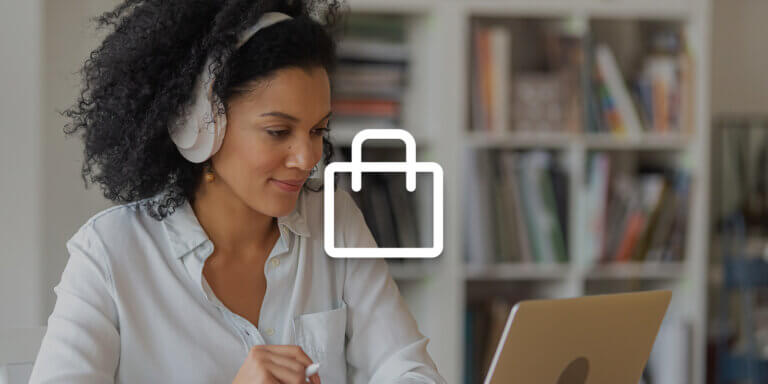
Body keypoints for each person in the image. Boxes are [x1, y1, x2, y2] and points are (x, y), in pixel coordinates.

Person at [29, 1, 445, 383]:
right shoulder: (109, 254)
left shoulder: (332, 220)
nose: (307, 157)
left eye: (318, 130)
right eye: (278, 131)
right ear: (200, 124)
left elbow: (407, 366)